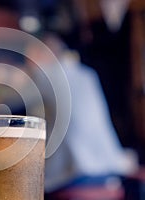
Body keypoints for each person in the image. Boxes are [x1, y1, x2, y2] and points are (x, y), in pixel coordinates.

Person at [25, 33, 137, 195]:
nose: (28, 63)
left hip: (74, 179)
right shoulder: (87, 74)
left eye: (30, 56)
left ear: (41, 53)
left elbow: (5, 96)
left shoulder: (44, 75)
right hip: (109, 175)